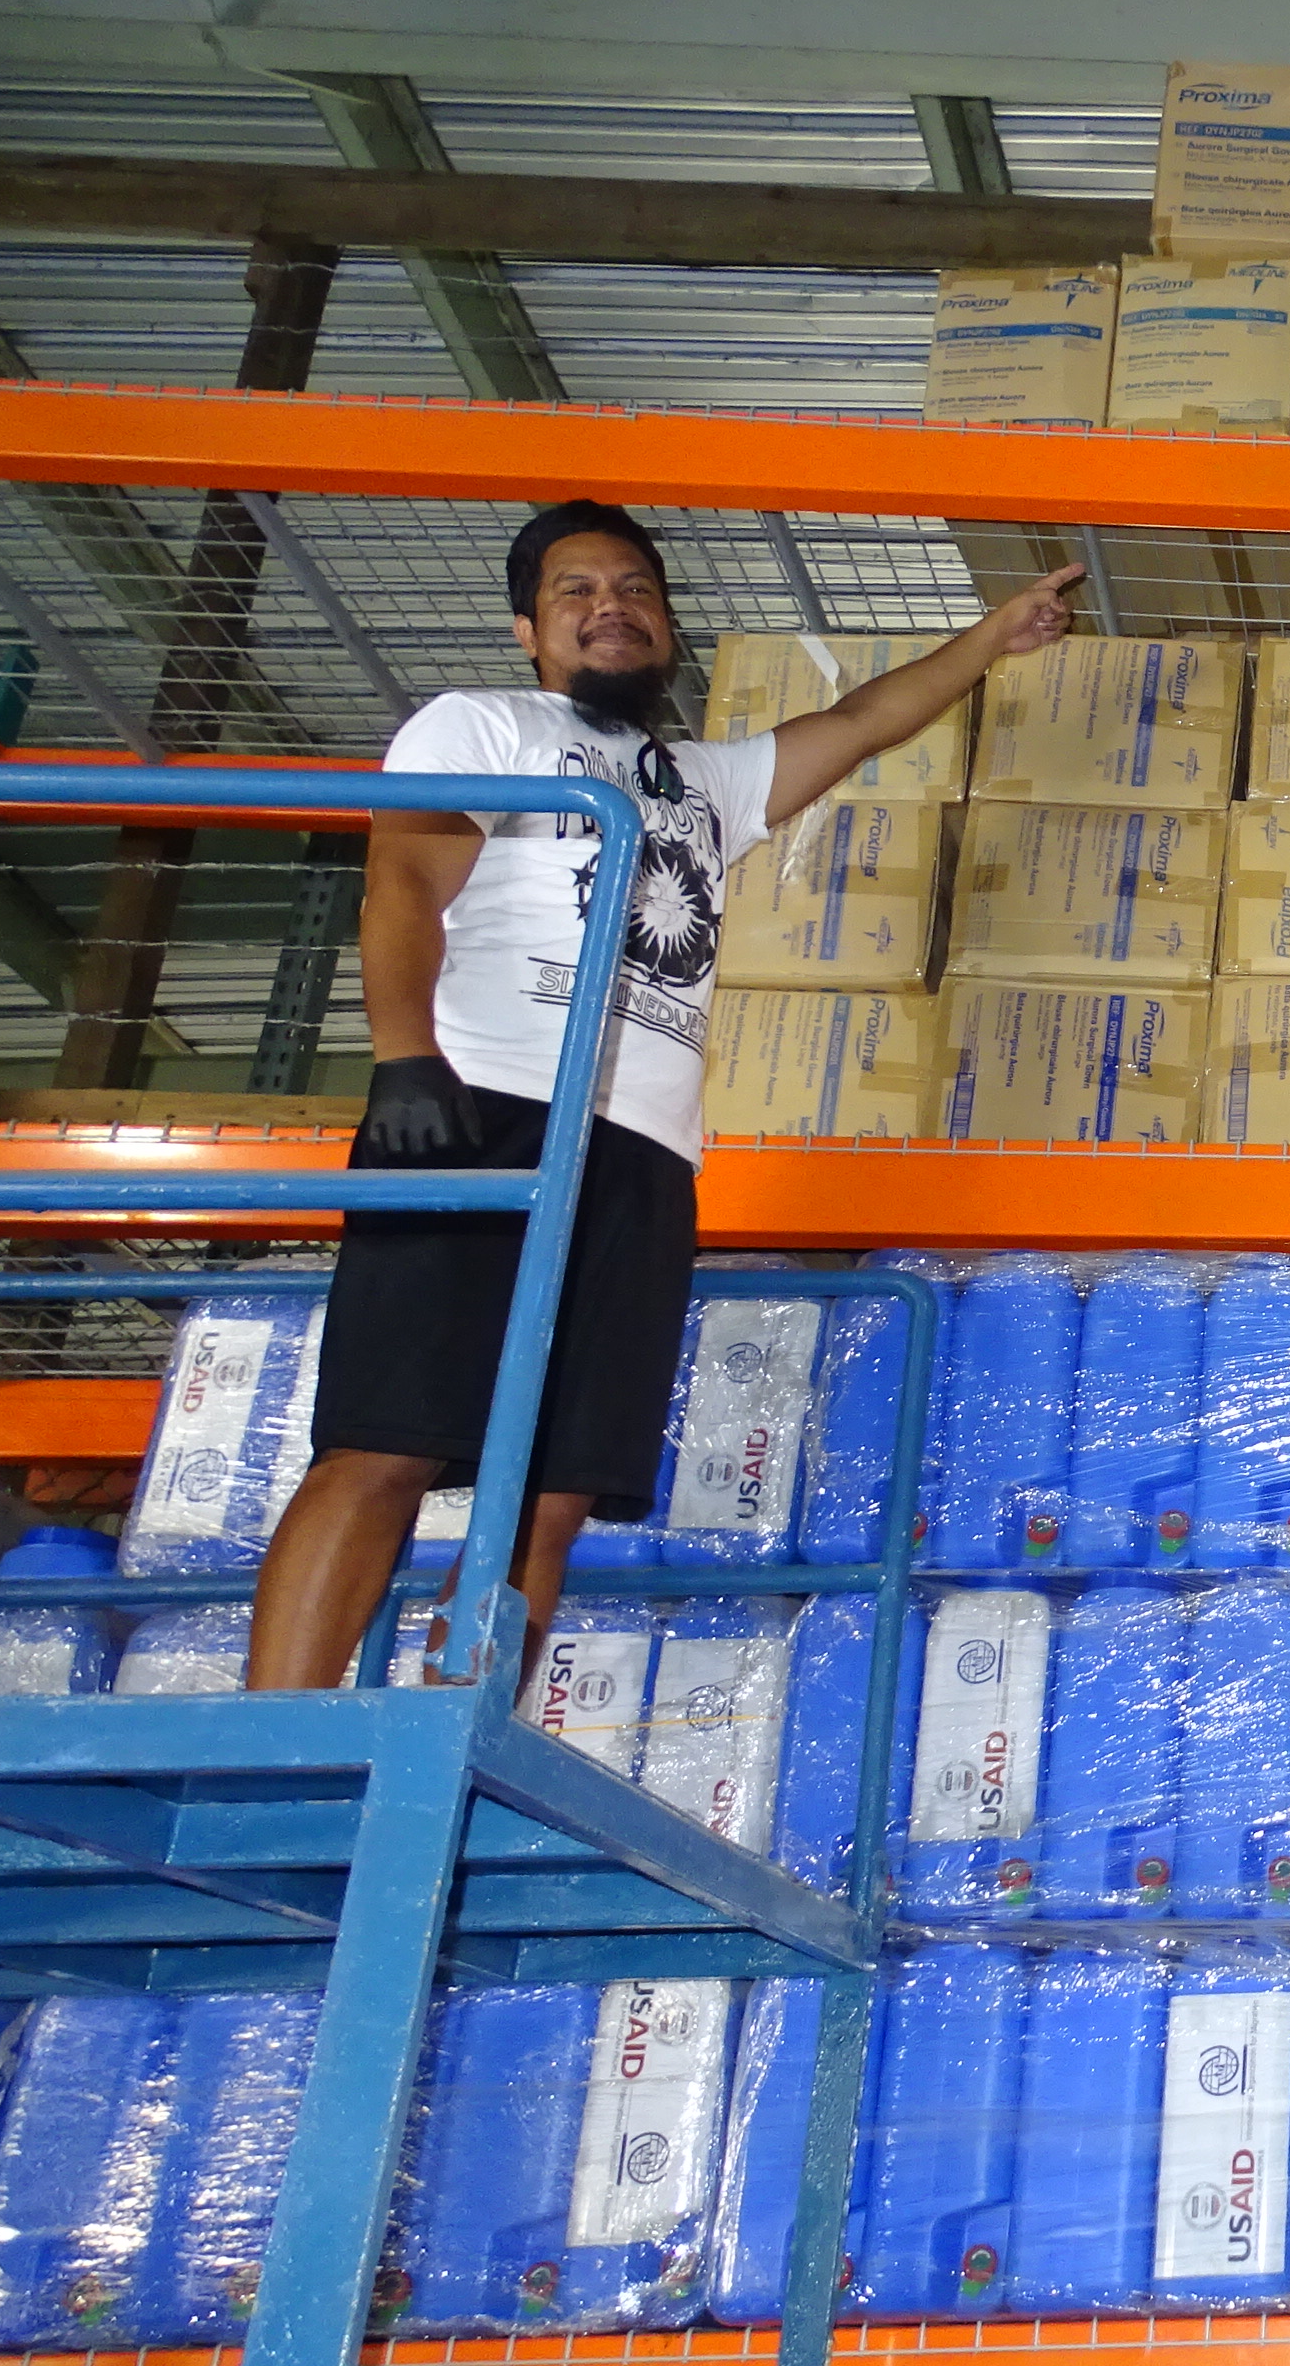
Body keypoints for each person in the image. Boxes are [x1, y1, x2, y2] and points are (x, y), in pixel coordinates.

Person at [244, 500, 1082, 1691]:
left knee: (555, 1489)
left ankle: (451, 1734)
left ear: (668, 625)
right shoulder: (484, 725)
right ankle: (271, 1739)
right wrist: (404, 1057)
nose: (611, 609)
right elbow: (402, 884)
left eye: (635, 589)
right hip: (483, 1107)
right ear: (527, 629)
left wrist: (990, 638)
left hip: (641, 1152)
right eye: (577, 592)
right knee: (385, 1441)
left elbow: (856, 721)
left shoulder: (699, 779)